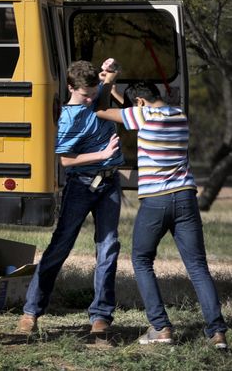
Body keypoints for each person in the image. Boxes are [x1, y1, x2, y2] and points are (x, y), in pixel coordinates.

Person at [95, 79, 228, 349]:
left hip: (156, 201)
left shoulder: (141, 115)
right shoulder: (178, 114)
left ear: (141, 103)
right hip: (186, 198)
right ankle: (217, 333)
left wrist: (105, 87)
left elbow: (101, 111)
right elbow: (135, 107)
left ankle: (160, 327)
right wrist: (122, 95)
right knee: (198, 267)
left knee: (141, 259)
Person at [18, 60, 122, 336]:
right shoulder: (67, 117)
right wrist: (101, 155)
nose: (91, 100)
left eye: (93, 93)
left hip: (109, 183)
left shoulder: (97, 95)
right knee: (61, 245)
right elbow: (65, 160)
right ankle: (31, 311)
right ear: (70, 88)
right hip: (82, 185)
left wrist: (110, 70)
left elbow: (108, 84)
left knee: (109, 247)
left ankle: (101, 316)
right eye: (85, 95)